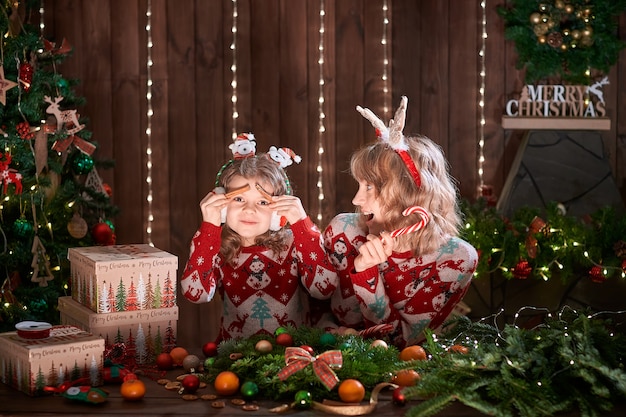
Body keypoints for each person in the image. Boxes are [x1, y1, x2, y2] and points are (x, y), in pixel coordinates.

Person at [323, 96, 478, 347]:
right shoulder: (343, 231)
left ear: (407, 195)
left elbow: (401, 345)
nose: (356, 199)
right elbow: (314, 313)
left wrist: (366, 274)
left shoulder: (456, 259)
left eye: (370, 187)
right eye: (359, 185)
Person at [180, 133, 337, 341]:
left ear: (278, 213)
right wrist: (209, 226)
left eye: (263, 202)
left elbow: (323, 289)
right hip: (233, 357)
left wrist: (302, 225)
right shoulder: (212, 245)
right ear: (222, 204)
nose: (249, 210)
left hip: (293, 352)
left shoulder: (294, 241)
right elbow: (196, 294)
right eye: (238, 198)